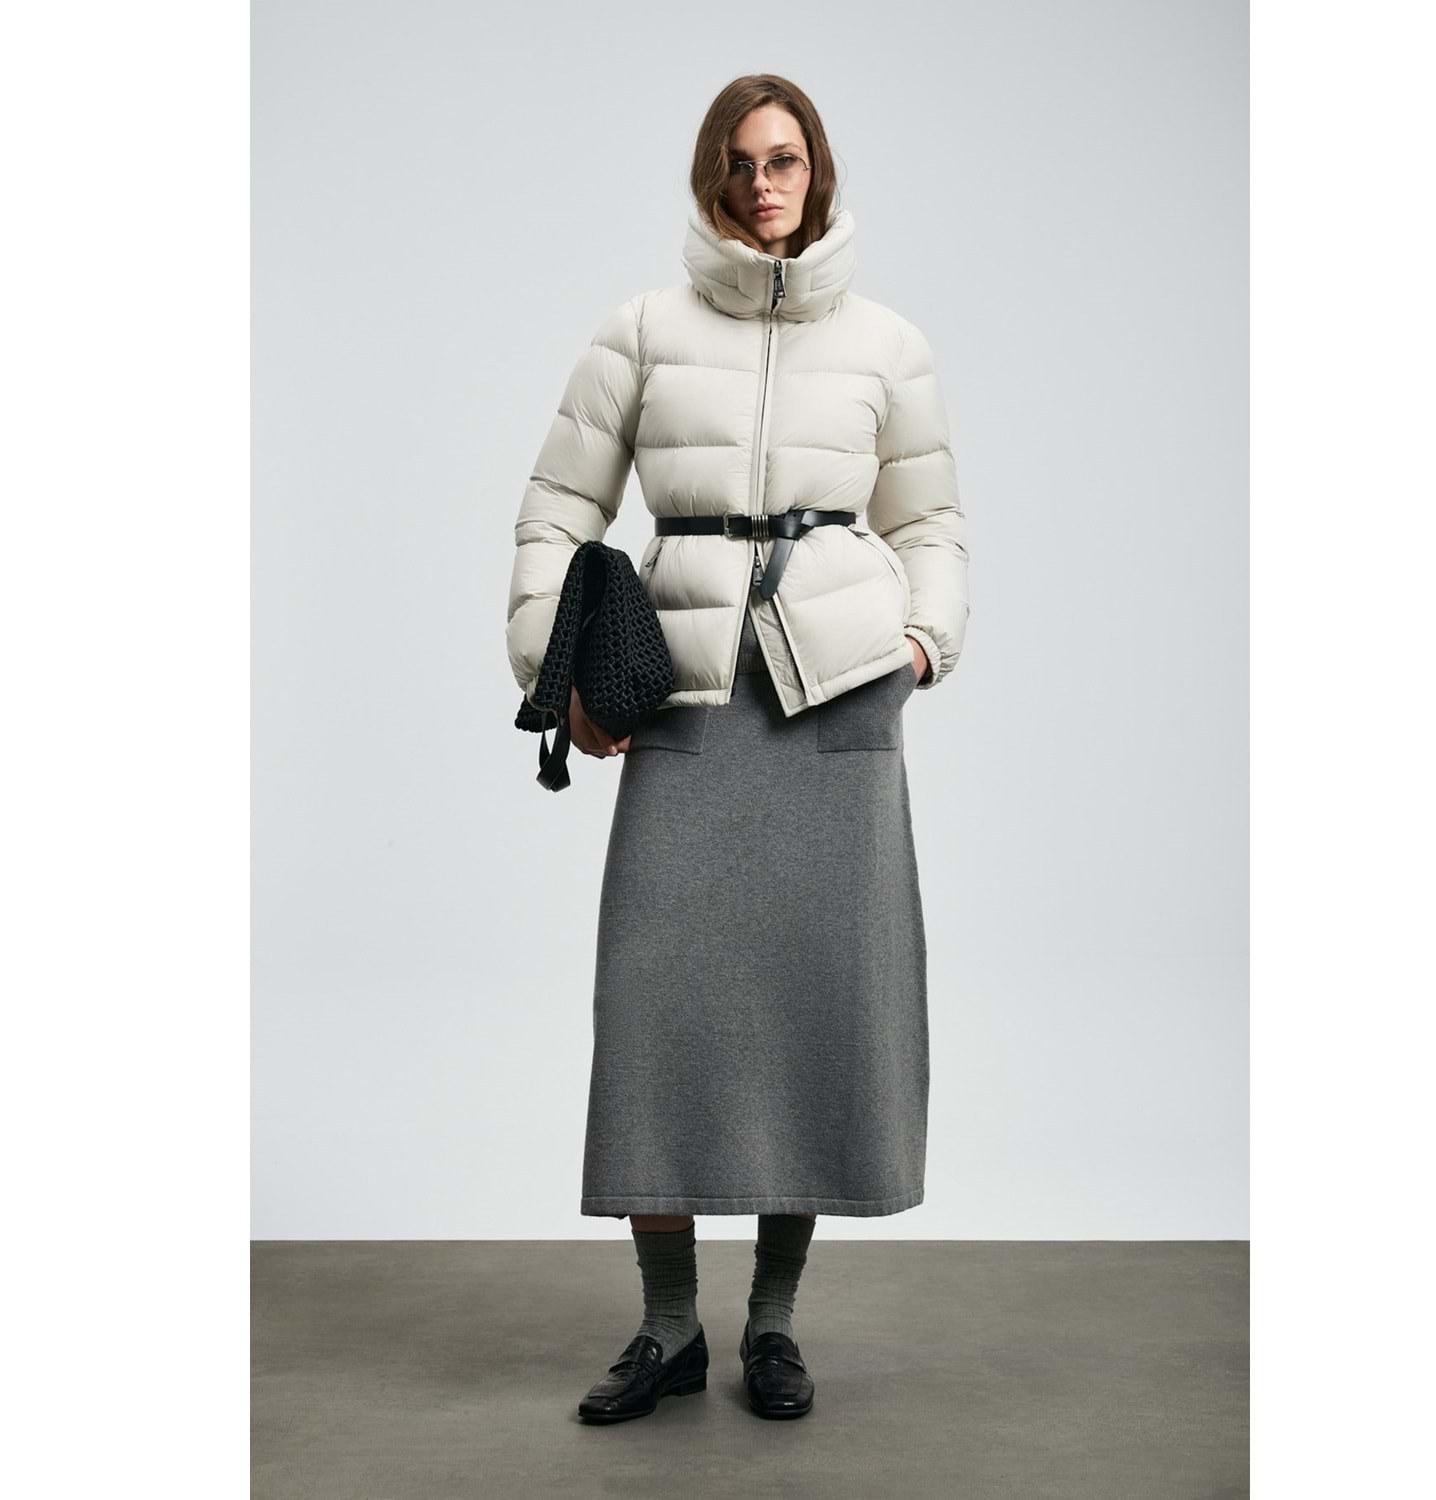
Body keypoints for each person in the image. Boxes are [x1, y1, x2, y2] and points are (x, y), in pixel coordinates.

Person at [505, 73, 970, 1424]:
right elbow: (555, 507)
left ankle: (772, 1324)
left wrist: (922, 641)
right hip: (685, 695)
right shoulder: (641, 333)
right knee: (656, 1017)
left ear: (817, 173)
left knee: (811, 1016)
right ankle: (667, 1330)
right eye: (742, 161)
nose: (765, 184)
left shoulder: (888, 343)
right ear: (712, 174)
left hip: (837, 704)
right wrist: (551, 668)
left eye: (787, 160)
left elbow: (931, 523)